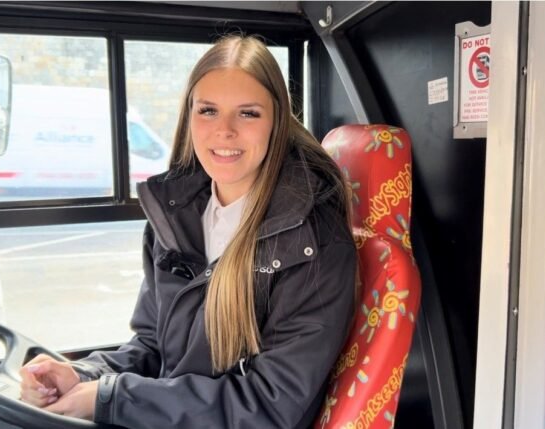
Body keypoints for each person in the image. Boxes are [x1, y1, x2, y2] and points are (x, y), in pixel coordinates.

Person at [19, 34, 357, 429]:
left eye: (248, 113)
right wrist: (83, 376)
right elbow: (151, 346)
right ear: (188, 116)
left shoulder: (314, 240)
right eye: (208, 111)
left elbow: (270, 404)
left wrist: (115, 398)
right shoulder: (174, 218)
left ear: (277, 122)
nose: (224, 131)